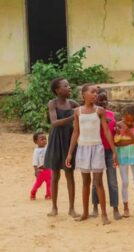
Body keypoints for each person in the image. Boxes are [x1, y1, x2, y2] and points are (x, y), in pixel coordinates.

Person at [65, 84, 118, 225]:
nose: (95, 94)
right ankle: (85, 213)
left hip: (97, 148)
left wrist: (114, 151)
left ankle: (104, 215)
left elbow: (106, 131)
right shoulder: (77, 111)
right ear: (84, 94)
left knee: (98, 182)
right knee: (85, 182)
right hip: (82, 148)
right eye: (92, 92)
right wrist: (70, 153)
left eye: (96, 92)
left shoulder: (100, 111)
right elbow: (75, 132)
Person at [44, 78, 79, 217]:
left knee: (69, 174)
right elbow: (54, 123)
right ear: (58, 90)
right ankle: (54, 207)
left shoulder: (72, 103)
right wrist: (73, 117)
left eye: (69, 85)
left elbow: (85, 110)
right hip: (56, 139)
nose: (69, 87)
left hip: (69, 140)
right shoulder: (52, 103)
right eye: (66, 86)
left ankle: (71, 208)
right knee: (55, 175)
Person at [90, 89, 121, 220]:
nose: (103, 102)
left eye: (105, 100)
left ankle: (115, 208)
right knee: (96, 181)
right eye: (100, 100)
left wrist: (117, 131)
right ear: (94, 101)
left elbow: (114, 131)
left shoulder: (111, 114)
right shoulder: (92, 114)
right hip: (97, 150)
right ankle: (95, 207)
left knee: (112, 181)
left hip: (110, 151)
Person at [114, 105, 134, 218]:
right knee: (125, 182)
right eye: (127, 120)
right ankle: (126, 208)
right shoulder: (118, 126)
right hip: (123, 157)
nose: (129, 122)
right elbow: (117, 143)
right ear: (122, 117)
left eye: (132, 120)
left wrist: (128, 132)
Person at [30, 132, 52, 200]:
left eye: (45, 139)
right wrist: (36, 170)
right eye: (42, 139)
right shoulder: (36, 151)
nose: (44, 140)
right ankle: (33, 192)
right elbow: (35, 162)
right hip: (41, 171)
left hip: (48, 169)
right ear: (36, 141)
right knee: (38, 184)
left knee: (49, 183)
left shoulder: (48, 149)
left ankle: (48, 194)